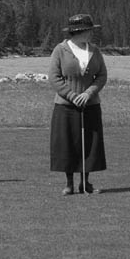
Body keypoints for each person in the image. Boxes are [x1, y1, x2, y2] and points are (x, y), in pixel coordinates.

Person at [49, 13, 108, 195]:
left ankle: (85, 183)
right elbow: (54, 77)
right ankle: (69, 184)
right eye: (89, 30)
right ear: (78, 32)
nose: (91, 33)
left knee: (89, 144)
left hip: (91, 105)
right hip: (65, 106)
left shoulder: (95, 50)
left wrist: (89, 93)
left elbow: (102, 75)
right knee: (68, 144)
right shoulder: (60, 50)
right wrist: (72, 95)